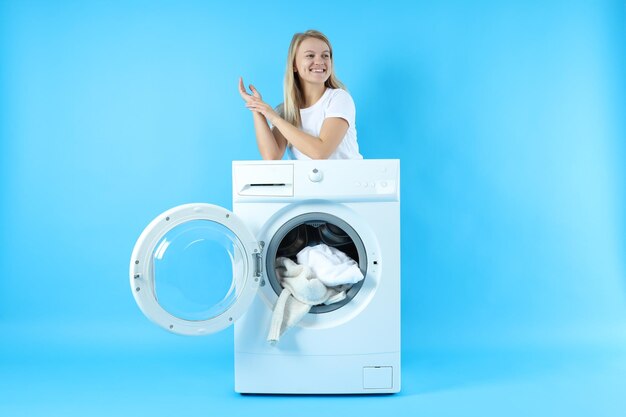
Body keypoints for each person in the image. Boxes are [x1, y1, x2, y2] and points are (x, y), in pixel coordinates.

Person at [239, 30, 363, 160]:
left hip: (346, 179)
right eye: (310, 55)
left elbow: (320, 152)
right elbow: (272, 156)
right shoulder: (285, 111)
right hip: (307, 181)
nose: (320, 61)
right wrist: (257, 107)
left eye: (325, 56)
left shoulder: (339, 98)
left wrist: (274, 118)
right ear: (294, 65)